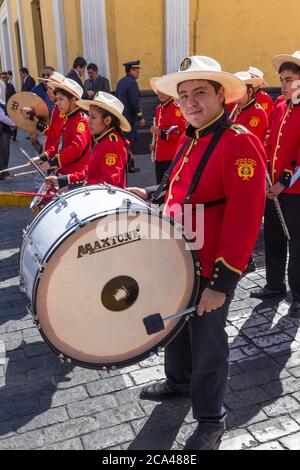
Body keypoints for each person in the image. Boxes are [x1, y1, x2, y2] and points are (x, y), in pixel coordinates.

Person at [128, 56, 266, 450]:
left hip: (210, 266)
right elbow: (183, 191)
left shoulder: (238, 141)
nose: (189, 101)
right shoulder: (193, 138)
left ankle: (210, 418)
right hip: (178, 258)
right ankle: (178, 382)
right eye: (184, 95)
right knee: (176, 329)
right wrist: (151, 194)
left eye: (200, 92)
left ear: (221, 95)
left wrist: (222, 283)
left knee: (208, 343)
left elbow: (245, 217)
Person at [250, 51, 300, 318]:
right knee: (274, 237)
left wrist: (283, 181)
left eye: (290, 79)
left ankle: (299, 295)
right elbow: (271, 143)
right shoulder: (281, 105)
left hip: (294, 190)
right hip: (274, 188)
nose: (283, 84)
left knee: (298, 243)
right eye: (282, 79)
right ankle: (274, 285)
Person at [29, 76, 92, 212]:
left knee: (45, 207)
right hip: (64, 172)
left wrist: (51, 163)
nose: (57, 103)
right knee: (39, 206)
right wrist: (43, 157)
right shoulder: (69, 119)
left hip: (75, 177)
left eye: (61, 99)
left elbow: (76, 148)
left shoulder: (80, 121)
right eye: (57, 99)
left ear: (73, 100)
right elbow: (59, 144)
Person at [45, 92, 130, 190]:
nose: (89, 122)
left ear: (107, 120)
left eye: (93, 117)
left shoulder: (112, 143)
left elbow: (108, 183)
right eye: (89, 116)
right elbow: (89, 173)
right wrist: (62, 180)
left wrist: (74, 187)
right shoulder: (102, 138)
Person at [150, 77, 186, 183]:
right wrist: (154, 144)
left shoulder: (176, 108)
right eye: (159, 92)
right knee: (159, 185)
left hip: (171, 156)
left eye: (164, 91)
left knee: (168, 187)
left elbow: (179, 133)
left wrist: (160, 133)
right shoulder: (159, 108)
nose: (161, 94)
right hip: (159, 156)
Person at [116, 60, 145, 173]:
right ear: (131, 70)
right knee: (130, 141)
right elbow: (135, 102)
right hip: (130, 119)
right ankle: (130, 165)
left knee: (123, 141)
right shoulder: (132, 83)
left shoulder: (120, 82)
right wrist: (140, 117)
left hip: (121, 118)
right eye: (137, 70)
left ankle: (123, 163)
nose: (138, 72)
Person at [231, 71, 268, 143]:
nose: (236, 99)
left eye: (239, 94)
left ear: (250, 91)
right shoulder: (240, 107)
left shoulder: (257, 113)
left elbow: (246, 140)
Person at [0, 81, 15, 181]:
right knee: (3, 153)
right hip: (2, 131)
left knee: (4, 153)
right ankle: (3, 174)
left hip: (4, 130)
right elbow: (1, 117)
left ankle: (5, 172)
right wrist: (13, 123)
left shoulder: (1, 101)